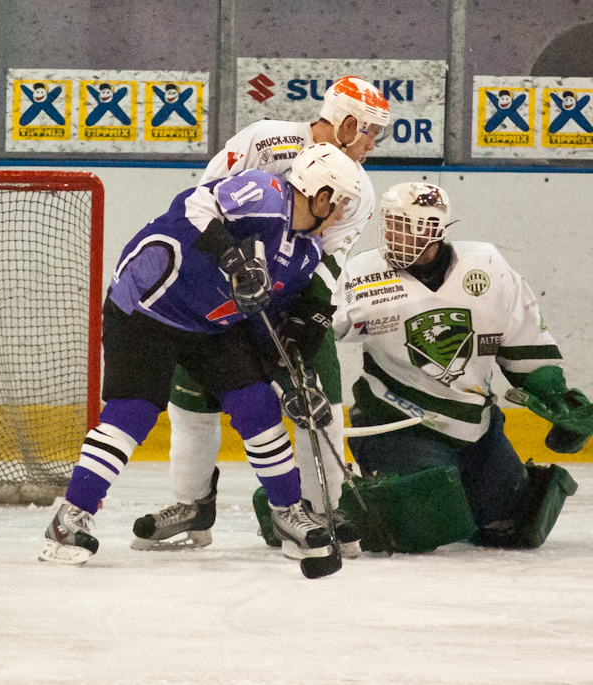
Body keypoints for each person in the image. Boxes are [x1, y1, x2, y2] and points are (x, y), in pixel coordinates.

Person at [39, 143, 362, 565]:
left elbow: (272, 330)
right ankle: (68, 520)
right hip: (148, 304)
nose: (341, 217)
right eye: (340, 206)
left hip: (210, 325)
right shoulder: (265, 192)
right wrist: (232, 257)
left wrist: (291, 384)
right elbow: (193, 205)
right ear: (321, 197)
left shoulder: (305, 254)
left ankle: (287, 513)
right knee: (133, 411)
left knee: (257, 404)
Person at [131, 76, 390, 556]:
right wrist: (222, 270)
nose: (373, 145)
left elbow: (330, 262)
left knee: (319, 401)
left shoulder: (359, 190)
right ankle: (193, 506)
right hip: (222, 291)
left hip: (290, 299)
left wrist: (305, 324)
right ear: (347, 121)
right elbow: (202, 205)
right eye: (371, 131)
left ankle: (323, 510)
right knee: (191, 398)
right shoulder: (264, 139)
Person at [334, 181, 592, 548]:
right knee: (426, 521)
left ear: (432, 230)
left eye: (402, 225)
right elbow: (324, 332)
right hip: (396, 421)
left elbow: (525, 342)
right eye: (389, 223)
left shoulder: (487, 267)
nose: (391, 233)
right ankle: (325, 504)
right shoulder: (361, 274)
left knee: (515, 527)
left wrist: (555, 394)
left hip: (475, 427)